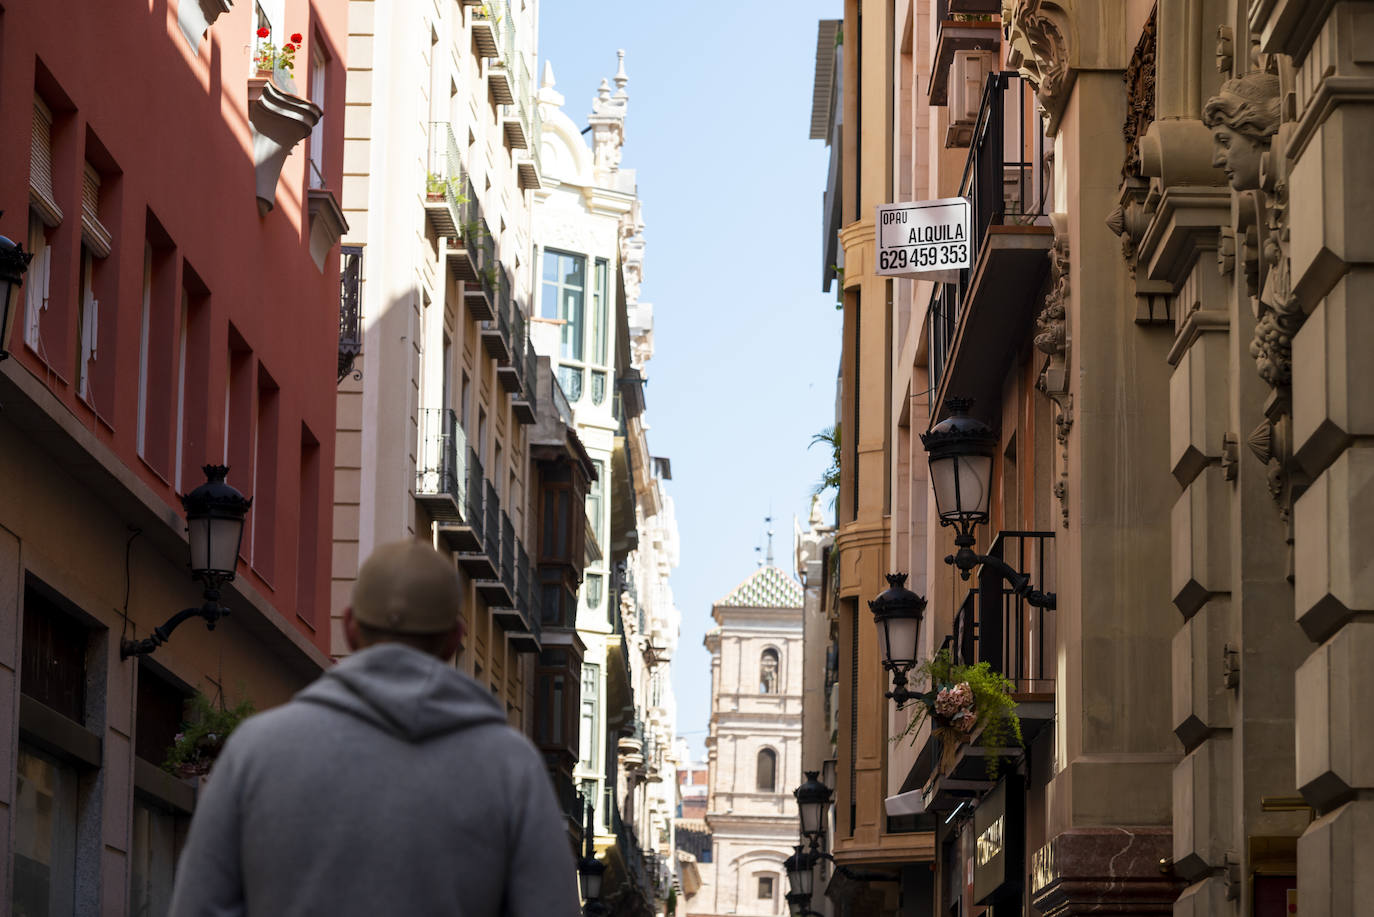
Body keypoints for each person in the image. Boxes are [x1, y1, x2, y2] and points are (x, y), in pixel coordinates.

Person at [169, 540, 581, 917]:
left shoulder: (255, 752)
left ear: (350, 627)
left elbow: (199, 906)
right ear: (455, 639)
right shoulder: (511, 769)